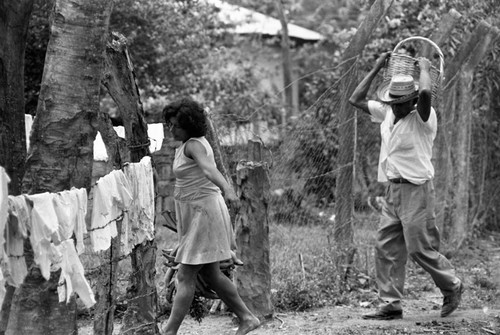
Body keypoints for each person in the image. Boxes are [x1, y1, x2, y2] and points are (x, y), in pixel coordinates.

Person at [348, 53, 464, 320]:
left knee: (419, 249)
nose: (396, 107)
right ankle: (391, 304)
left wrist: (423, 68)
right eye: (393, 101)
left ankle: (452, 285)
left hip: (417, 190)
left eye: (401, 102)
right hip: (393, 190)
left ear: (411, 101)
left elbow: (425, 93)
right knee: (385, 245)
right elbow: (355, 99)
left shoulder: (424, 117)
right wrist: (377, 66)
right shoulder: (387, 112)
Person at [161, 98, 260, 335]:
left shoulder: (194, 145)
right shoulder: (187, 144)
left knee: (185, 275)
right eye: (170, 124)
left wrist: (228, 189)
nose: (171, 129)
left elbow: (208, 169)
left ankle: (169, 331)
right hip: (198, 213)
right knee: (211, 274)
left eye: (177, 125)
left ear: (190, 126)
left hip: (203, 213)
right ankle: (247, 318)